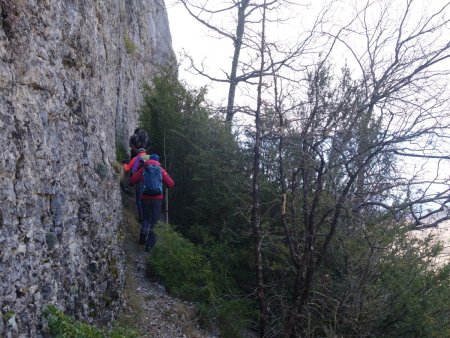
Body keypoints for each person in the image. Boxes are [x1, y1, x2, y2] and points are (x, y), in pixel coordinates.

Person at [130, 154, 174, 251]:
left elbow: (133, 179)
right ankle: (149, 247)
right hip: (157, 200)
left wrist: (132, 183)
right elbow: (171, 183)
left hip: (145, 198)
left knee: (146, 218)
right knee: (154, 222)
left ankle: (143, 235)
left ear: (149, 160)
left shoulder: (144, 169)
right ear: (158, 161)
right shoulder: (161, 170)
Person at [122, 128, 151, 221]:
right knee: (144, 169)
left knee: (139, 198)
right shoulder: (146, 139)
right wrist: (144, 150)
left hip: (135, 156)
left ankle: (142, 218)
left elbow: (130, 145)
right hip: (145, 157)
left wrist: (135, 150)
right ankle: (147, 216)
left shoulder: (134, 137)